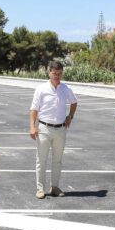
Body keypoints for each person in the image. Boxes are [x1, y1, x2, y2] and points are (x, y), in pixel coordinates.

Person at [29, 61, 79, 199]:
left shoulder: (65, 88)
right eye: (54, 73)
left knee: (57, 160)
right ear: (49, 72)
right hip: (44, 128)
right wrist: (32, 126)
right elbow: (34, 109)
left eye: (59, 73)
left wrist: (70, 116)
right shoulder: (41, 88)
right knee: (41, 160)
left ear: (62, 73)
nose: (56, 76)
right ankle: (40, 189)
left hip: (60, 130)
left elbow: (74, 102)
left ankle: (55, 187)